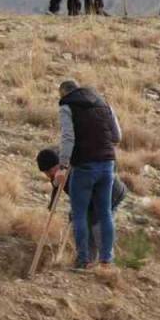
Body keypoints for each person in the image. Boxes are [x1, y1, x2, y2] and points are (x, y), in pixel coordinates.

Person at [55, 80, 122, 269]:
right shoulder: (103, 103)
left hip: (84, 166)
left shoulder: (67, 105)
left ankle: (83, 260)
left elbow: (68, 137)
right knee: (105, 212)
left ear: (64, 93)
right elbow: (117, 136)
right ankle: (106, 261)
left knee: (79, 214)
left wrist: (62, 166)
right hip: (108, 164)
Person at [36, 147, 127, 265]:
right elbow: (57, 187)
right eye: (46, 173)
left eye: (49, 172)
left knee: (97, 227)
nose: (48, 175)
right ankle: (87, 263)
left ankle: (107, 265)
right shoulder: (57, 166)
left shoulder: (76, 169)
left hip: (110, 194)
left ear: (57, 165)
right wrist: (51, 207)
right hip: (90, 198)